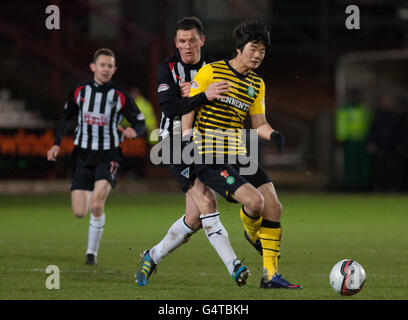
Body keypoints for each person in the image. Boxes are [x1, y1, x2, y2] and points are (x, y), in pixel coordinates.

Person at [182, 19, 302, 289]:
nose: (258, 55)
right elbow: (190, 104)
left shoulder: (257, 85)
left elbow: (259, 124)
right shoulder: (211, 72)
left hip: (237, 153)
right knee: (256, 203)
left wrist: (273, 134)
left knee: (274, 206)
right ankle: (251, 233)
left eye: (262, 51)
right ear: (239, 48)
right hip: (209, 155)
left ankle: (270, 275)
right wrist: (186, 138)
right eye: (253, 48)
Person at [135, 17, 250, 287]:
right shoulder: (167, 68)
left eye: (192, 40)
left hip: (207, 142)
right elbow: (170, 109)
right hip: (174, 143)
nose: (187, 46)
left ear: (202, 41)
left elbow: (222, 101)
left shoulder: (213, 68)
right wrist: (199, 96)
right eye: (182, 41)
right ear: (176, 43)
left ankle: (152, 256)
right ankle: (234, 266)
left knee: (194, 218)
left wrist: (198, 94)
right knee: (208, 202)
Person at [47, 48, 146, 265]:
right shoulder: (80, 91)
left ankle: (91, 254)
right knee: (79, 212)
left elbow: (140, 122)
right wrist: (55, 145)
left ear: (114, 69)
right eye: (102, 64)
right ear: (93, 67)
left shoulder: (120, 95)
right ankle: (94, 193)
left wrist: (134, 131)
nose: (105, 69)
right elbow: (65, 118)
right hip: (82, 155)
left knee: (97, 204)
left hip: (109, 155)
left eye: (110, 66)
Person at [335, 90, 372, 191]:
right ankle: (350, 186)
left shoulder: (364, 109)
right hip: (350, 141)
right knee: (350, 165)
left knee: (364, 165)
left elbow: (370, 125)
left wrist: (371, 140)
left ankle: (364, 186)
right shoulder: (346, 110)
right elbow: (341, 124)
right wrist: (341, 138)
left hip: (363, 141)